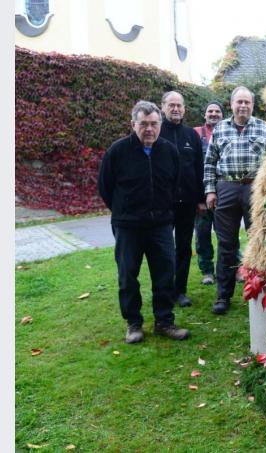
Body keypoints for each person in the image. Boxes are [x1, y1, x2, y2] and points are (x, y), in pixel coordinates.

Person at [97, 100, 191, 343]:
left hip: (160, 225)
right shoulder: (117, 152)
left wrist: (163, 212)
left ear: (159, 125)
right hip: (128, 226)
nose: (149, 129)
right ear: (133, 124)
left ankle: (164, 321)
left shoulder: (169, 151)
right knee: (128, 275)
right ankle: (133, 323)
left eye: (153, 124)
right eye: (143, 124)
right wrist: (124, 211)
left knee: (164, 274)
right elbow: (105, 187)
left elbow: (174, 184)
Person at [204, 86, 266, 315]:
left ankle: (260, 290)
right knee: (226, 245)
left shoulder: (264, 128)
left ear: (252, 105)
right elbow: (209, 162)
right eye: (239, 102)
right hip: (226, 188)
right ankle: (223, 296)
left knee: (259, 241)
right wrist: (210, 191)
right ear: (231, 104)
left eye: (247, 102)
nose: (243, 106)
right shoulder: (220, 129)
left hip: (255, 189)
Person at [159, 91, 204, 308]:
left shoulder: (191, 135)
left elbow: (199, 168)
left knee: (184, 248)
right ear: (163, 107)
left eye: (179, 105)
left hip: (187, 203)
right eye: (171, 105)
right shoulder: (156, 133)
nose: (175, 109)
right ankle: (164, 290)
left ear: (184, 109)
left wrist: (202, 198)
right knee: (163, 249)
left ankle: (180, 291)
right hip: (162, 204)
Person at [193, 101, 224, 285]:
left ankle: (232, 268)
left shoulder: (229, 131)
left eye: (217, 111)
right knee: (203, 236)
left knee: (227, 235)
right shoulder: (196, 134)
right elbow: (194, 169)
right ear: (205, 115)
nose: (213, 114)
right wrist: (199, 198)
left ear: (222, 114)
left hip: (225, 196)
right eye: (210, 111)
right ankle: (207, 271)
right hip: (203, 198)